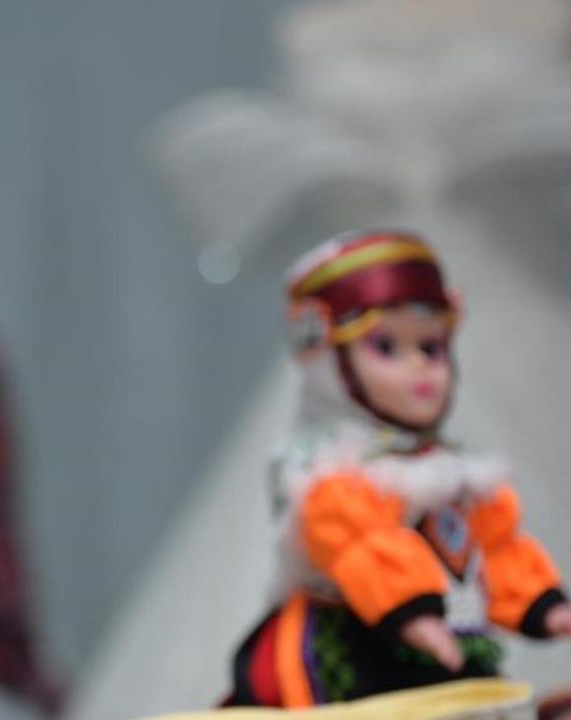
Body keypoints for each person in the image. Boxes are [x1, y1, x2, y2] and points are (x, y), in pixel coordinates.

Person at [228, 229, 570, 707]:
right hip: (363, 644)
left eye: (431, 348)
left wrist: (545, 607)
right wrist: (412, 613)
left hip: (445, 640)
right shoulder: (333, 468)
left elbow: (497, 548)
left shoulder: (450, 469)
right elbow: (358, 539)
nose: (419, 368)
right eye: (386, 348)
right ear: (331, 366)